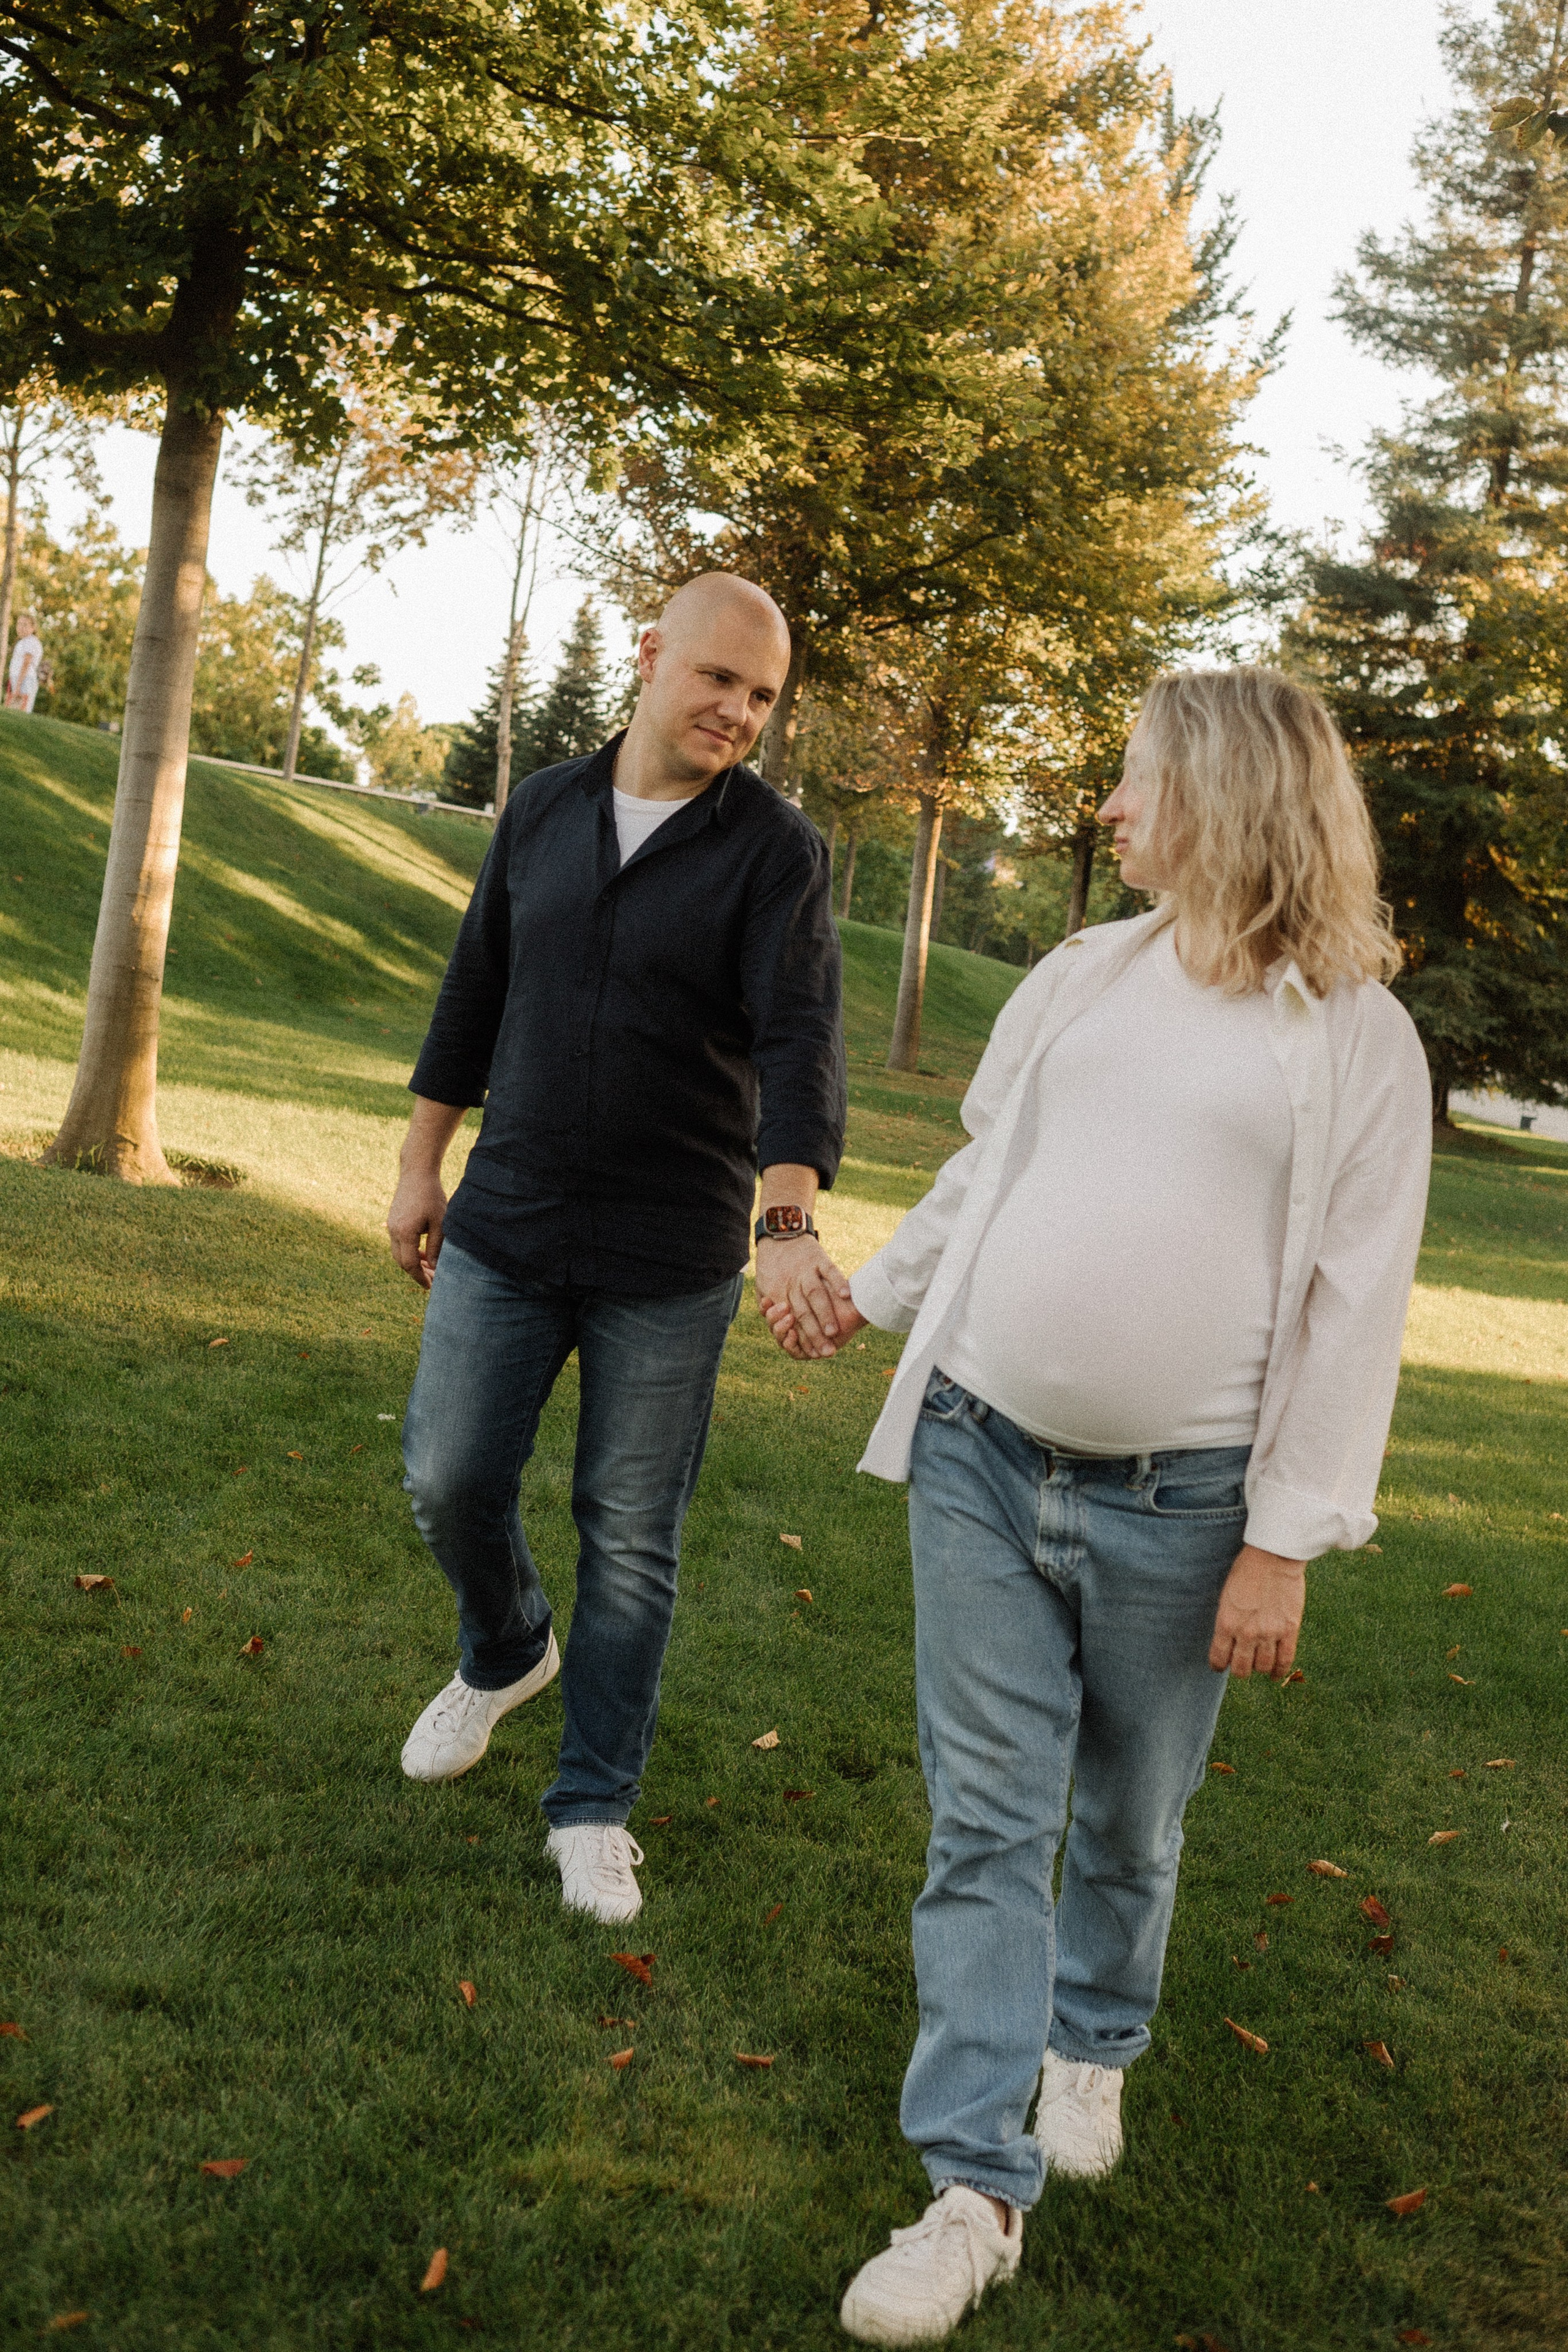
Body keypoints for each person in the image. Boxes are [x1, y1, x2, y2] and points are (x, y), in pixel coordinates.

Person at [762, 666, 1432, 2346]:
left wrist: (1284, 1540)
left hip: (1187, 1512)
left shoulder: (1355, 1036)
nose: (1111, 810)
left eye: (1136, 782)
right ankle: (972, 2191)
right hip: (982, 1458)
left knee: (1129, 1818)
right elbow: (994, 1169)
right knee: (989, 1824)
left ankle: (1098, 2042)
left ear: (1225, 794)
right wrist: (875, 1298)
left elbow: (1360, 1301)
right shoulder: (1078, 976)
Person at [387, 573, 847, 1927]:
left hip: (670, 1246)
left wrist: (784, 1223)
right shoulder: (539, 809)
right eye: (717, 680)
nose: (737, 714)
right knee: (447, 1472)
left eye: (760, 698)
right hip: (510, 1216)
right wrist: (421, 1165)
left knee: (630, 1534)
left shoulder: (774, 852)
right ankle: (505, 1646)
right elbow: (474, 987)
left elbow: (798, 1045)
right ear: (650, 658)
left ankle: (592, 1806)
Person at [6, 612, 42, 712]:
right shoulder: (22, 642)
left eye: (25, 625)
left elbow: (26, 663)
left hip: (25, 679)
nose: (21, 627)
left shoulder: (31, 641)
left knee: (23, 709)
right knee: (15, 710)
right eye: (19, 624)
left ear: (33, 628)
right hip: (19, 679)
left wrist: (18, 686)